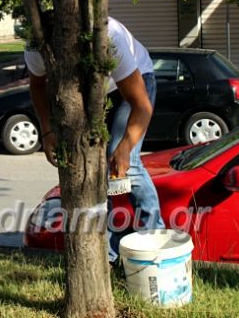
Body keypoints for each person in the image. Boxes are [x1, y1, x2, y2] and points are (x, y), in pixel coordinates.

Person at [24, 16, 165, 263]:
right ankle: (108, 255)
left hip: (135, 83)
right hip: (93, 93)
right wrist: (47, 133)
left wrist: (124, 147)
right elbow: (37, 86)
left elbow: (141, 105)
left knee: (126, 162)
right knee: (92, 166)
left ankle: (155, 237)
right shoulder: (37, 47)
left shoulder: (110, 41)